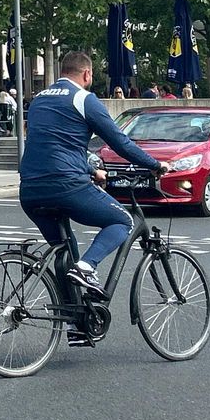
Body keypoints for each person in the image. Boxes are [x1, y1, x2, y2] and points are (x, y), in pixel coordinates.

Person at [19, 51, 169, 347]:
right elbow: (120, 142)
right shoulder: (84, 100)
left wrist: (91, 168)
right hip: (66, 185)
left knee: (64, 252)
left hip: (30, 189)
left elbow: (54, 142)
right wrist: (154, 164)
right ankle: (88, 267)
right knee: (121, 220)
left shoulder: (38, 101)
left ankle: (78, 324)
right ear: (87, 74)